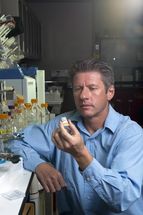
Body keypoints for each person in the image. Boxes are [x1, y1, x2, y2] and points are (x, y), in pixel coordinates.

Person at [11, 58, 143, 215]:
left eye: (92, 88)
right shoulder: (61, 125)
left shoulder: (130, 134)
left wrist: (81, 154)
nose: (84, 96)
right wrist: (39, 164)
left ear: (110, 92)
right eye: (77, 88)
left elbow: (122, 197)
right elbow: (14, 142)